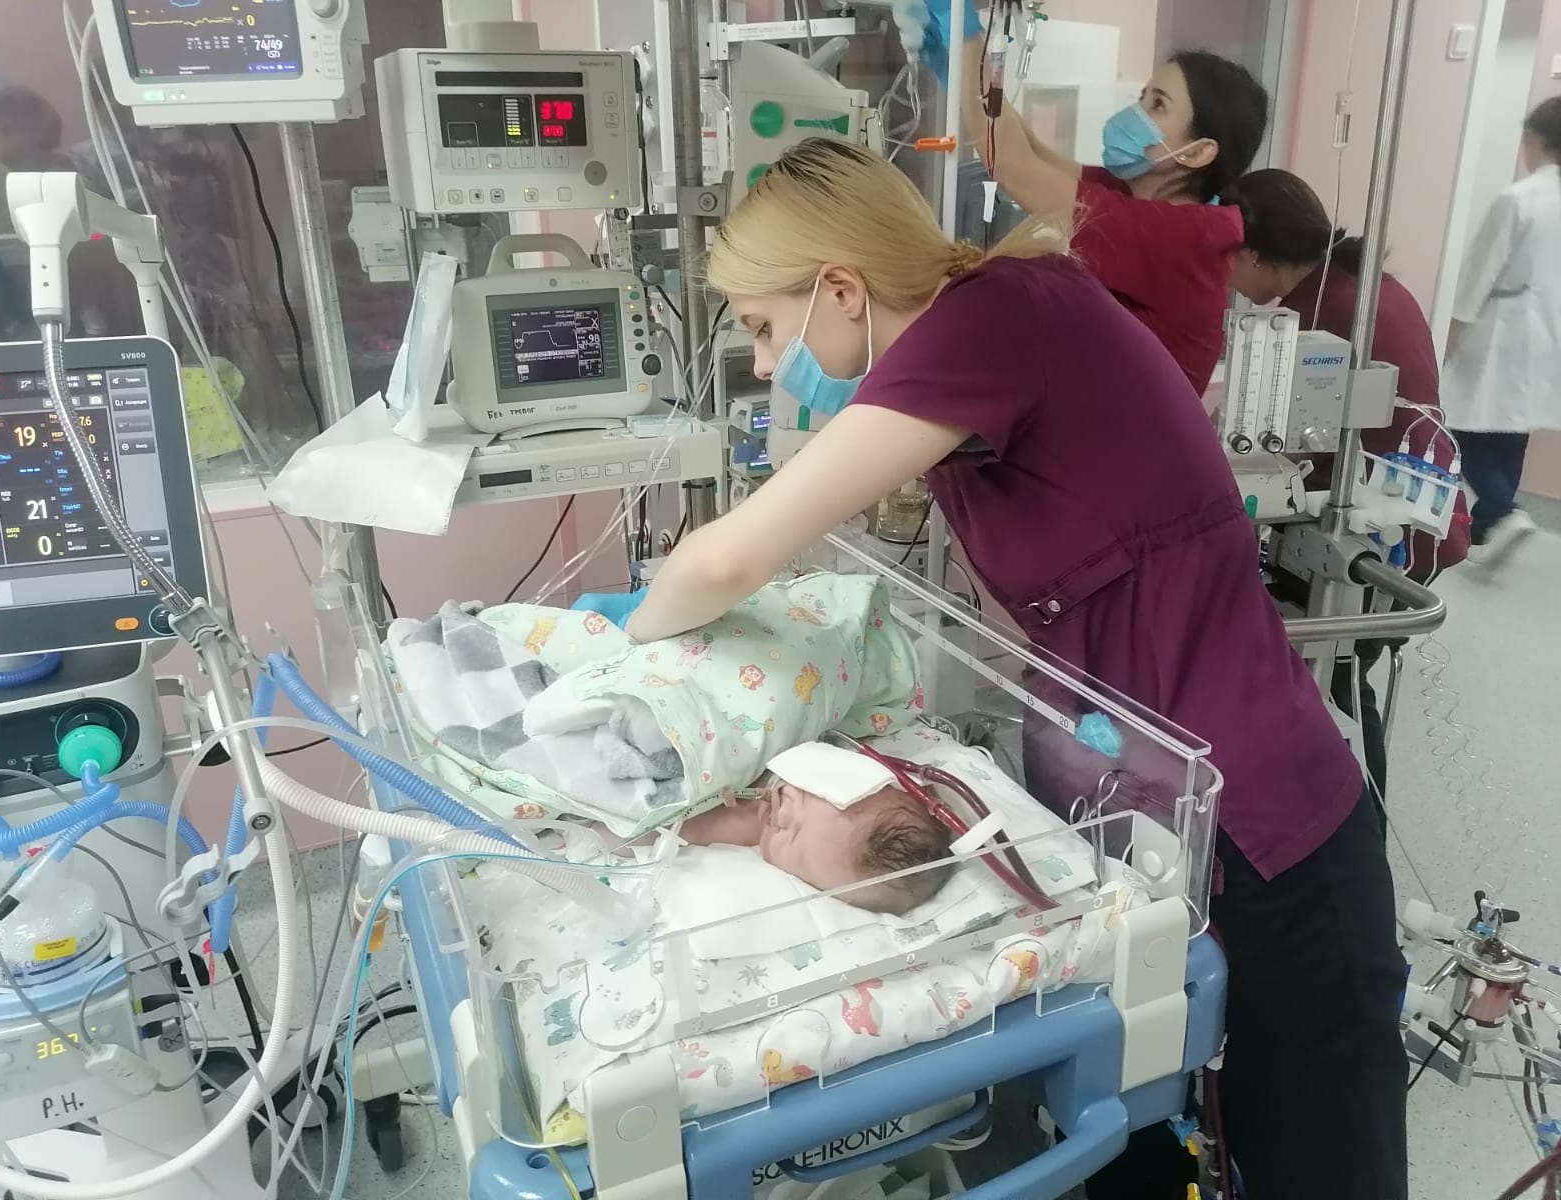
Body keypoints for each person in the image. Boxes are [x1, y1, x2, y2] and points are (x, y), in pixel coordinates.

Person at [575, 137, 1405, 1199]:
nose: (766, 364)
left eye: (764, 328)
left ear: (841, 289)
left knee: (1317, 1157)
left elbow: (729, 557)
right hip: (1138, 800)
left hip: (1258, 820)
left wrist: (620, 660)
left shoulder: (995, 318)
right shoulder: (981, 346)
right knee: (1159, 1134)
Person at [1224, 167, 1471, 812]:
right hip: (1419, 514)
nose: (1225, 276)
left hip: (1371, 533)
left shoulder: (1322, 314)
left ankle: (1347, 825)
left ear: (1254, 253)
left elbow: (1295, 442)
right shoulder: (1363, 284)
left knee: (1333, 690)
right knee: (1343, 684)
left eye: (1225, 257)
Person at [920, 2, 1267, 395]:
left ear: (1197, 152)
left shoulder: (1179, 238)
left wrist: (969, 40)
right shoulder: (1135, 194)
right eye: (1143, 96)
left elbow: (1012, 165)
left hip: (1128, 430)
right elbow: (1033, 153)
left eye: (1157, 105)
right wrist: (964, 74)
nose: (1135, 111)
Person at [1440, 96, 1561, 568]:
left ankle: (1503, 511)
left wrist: (1453, 334)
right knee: (1512, 427)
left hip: (1502, 328)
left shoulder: (1520, 198)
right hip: (1546, 332)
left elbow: (1479, 272)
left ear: (1532, 139)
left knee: (1457, 424)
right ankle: (1489, 527)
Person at [681, 772, 955, 914]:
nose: (782, 815)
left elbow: (673, 826)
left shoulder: (745, 826)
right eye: (801, 798)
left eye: (793, 842)